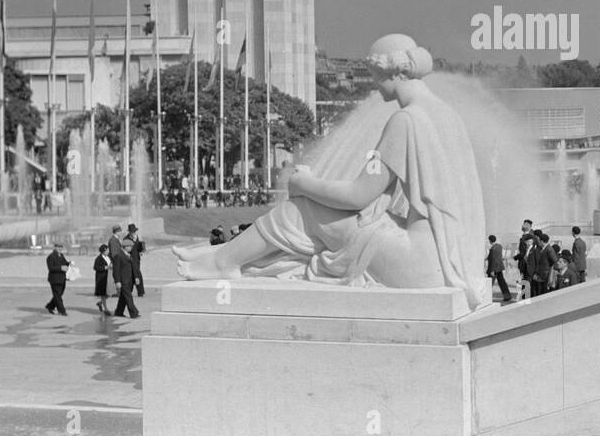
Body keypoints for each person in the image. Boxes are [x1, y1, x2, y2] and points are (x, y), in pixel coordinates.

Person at [172, 35, 488, 310]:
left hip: (417, 264)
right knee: (319, 217)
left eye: (375, 76)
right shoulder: (447, 115)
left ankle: (225, 262)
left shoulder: (406, 122)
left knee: (301, 208)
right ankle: (227, 256)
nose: (375, 86)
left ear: (391, 72)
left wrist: (304, 183)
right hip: (446, 263)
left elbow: (359, 195)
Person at [112, 239, 140, 319]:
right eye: (130, 246)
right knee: (128, 297)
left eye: (131, 246)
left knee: (123, 297)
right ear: (125, 247)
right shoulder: (118, 256)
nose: (131, 248)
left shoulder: (129, 255)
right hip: (123, 281)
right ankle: (134, 313)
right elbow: (116, 270)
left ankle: (119, 312)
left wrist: (136, 277)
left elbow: (133, 268)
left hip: (130, 280)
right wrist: (117, 281)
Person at [526, 232, 557, 297]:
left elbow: (554, 262)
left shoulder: (549, 249)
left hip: (545, 276)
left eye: (539, 240)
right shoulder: (540, 249)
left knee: (544, 293)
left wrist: (550, 275)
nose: (538, 242)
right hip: (539, 275)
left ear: (542, 241)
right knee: (538, 293)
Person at [45, 243, 71, 316]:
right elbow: (51, 268)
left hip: (62, 278)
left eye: (61, 247)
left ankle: (50, 306)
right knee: (57, 295)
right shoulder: (51, 257)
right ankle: (62, 311)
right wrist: (60, 268)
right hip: (54, 279)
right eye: (58, 247)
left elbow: (65, 263)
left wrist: (69, 263)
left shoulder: (61, 255)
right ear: (55, 247)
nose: (60, 249)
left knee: (59, 294)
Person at [485, 235, 511, 304]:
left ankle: (486, 298)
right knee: (502, 282)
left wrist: (492, 270)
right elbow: (496, 257)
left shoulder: (493, 249)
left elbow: (493, 260)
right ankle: (507, 296)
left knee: (489, 284)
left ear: (490, 241)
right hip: (499, 268)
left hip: (494, 269)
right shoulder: (499, 246)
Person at [126, 223, 146, 297]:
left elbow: (137, 247)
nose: (134, 233)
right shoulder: (126, 239)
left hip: (137, 259)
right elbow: (126, 249)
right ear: (129, 232)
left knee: (135, 275)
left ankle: (137, 292)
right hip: (131, 260)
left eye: (134, 231)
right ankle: (139, 292)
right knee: (136, 275)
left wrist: (140, 251)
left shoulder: (136, 237)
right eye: (132, 231)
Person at [93, 243, 112, 315]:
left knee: (110, 293)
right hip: (101, 278)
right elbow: (95, 267)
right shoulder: (98, 259)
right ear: (103, 251)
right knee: (103, 294)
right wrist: (105, 267)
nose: (108, 251)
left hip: (109, 277)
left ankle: (100, 303)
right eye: (107, 250)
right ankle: (106, 309)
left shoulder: (109, 257)